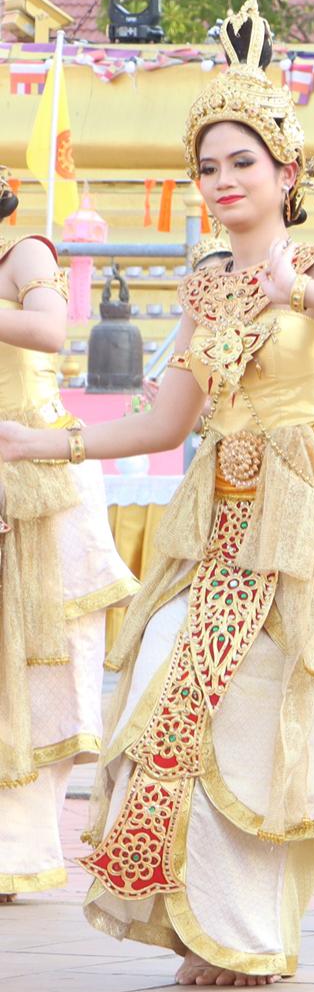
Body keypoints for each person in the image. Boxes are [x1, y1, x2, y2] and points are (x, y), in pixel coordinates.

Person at [0, 0, 314, 983]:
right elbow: (162, 422)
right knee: (161, 692)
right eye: (208, 165)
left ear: (286, 171)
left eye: (242, 160)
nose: (223, 180)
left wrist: (303, 293)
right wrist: (48, 439)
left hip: (299, 516)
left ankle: (246, 940)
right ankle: (202, 921)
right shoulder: (205, 287)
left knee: (262, 719)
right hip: (217, 519)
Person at [0, 200, 137, 903]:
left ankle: (13, 853)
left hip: (34, 472)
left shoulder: (23, 253)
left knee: (34, 667)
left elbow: (51, 330)